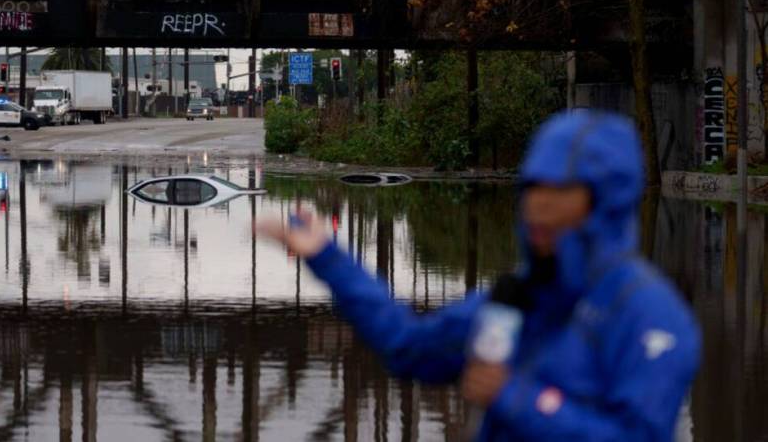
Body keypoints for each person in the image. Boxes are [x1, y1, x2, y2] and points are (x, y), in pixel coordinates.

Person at [255, 111, 700, 441]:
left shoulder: (650, 316)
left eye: (560, 190)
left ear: (604, 201)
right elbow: (409, 348)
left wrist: (522, 399)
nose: (540, 206)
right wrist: (331, 260)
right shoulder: (515, 300)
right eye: (533, 188)